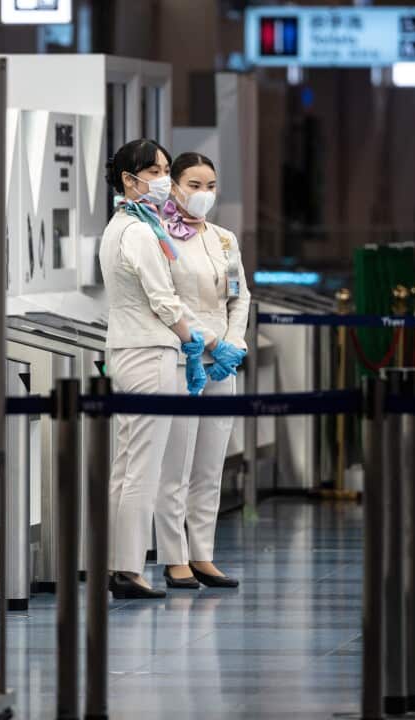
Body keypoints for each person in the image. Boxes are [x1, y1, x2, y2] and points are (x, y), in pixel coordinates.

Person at [100, 139, 216, 599]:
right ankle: (127, 569)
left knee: (129, 464)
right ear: (129, 180)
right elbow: (164, 301)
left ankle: (120, 563)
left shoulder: (132, 226)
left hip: (137, 350)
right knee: (141, 466)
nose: (163, 179)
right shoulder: (138, 232)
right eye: (154, 171)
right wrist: (204, 340)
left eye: (166, 169)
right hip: (148, 352)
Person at [155, 152, 250, 590]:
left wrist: (233, 343)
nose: (203, 194)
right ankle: (174, 559)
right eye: (194, 184)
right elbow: (168, 301)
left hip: (221, 362)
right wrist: (205, 341)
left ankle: (203, 554)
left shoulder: (224, 239)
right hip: (181, 358)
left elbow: (239, 296)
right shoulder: (159, 236)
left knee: (211, 465)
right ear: (174, 185)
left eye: (210, 185)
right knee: (176, 466)